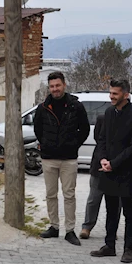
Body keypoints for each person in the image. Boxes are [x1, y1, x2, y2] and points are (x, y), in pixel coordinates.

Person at [90, 79, 132, 263]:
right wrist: (103, 159)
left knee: (128, 211)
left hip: (126, 171)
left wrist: (114, 163)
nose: (111, 96)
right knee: (111, 210)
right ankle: (109, 245)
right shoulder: (108, 113)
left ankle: (128, 249)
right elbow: (102, 140)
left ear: (126, 94)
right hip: (108, 170)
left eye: (115, 93)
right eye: (111, 93)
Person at [34, 72, 89, 246]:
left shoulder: (75, 106)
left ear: (64, 85)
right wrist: (45, 144)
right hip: (49, 158)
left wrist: (73, 145)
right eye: (52, 86)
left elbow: (85, 129)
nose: (55, 89)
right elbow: (38, 129)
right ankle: (54, 227)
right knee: (51, 194)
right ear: (49, 88)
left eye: (58, 85)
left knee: (69, 195)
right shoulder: (43, 108)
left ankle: (70, 230)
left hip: (69, 159)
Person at [80, 115, 109, 239]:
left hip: (118, 164)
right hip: (99, 164)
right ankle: (87, 227)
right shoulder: (102, 119)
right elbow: (98, 138)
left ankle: (111, 229)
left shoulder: (129, 119)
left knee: (115, 201)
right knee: (93, 198)